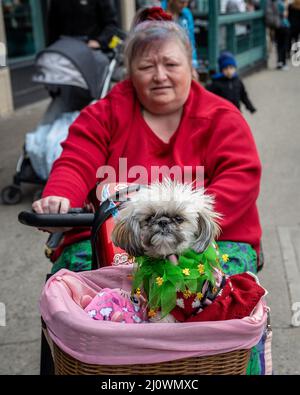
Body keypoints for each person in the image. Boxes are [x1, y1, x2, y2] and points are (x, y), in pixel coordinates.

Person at [33, 7, 265, 373]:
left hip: (210, 240)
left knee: (232, 302)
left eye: (171, 64)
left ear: (192, 65)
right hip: (109, 240)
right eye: (146, 66)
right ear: (129, 72)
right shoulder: (103, 113)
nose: (160, 76)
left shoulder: (221, 116)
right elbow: (76, 160)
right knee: (74, 292)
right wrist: (59, 193)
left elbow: (241, 176)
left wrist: (190, 229)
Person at [47, 0, 118, 50]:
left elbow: (111, 24)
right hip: (66, 51)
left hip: (91, 51)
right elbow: (53, 29)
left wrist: (99, 42)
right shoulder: (57, 1)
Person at [160, 0, 198, 70]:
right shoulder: (157, 11)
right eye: (181, 2)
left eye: (187, 2)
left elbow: (190, 40)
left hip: (181, 58)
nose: (185, 5)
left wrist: (193, 65)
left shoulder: (186, 14)